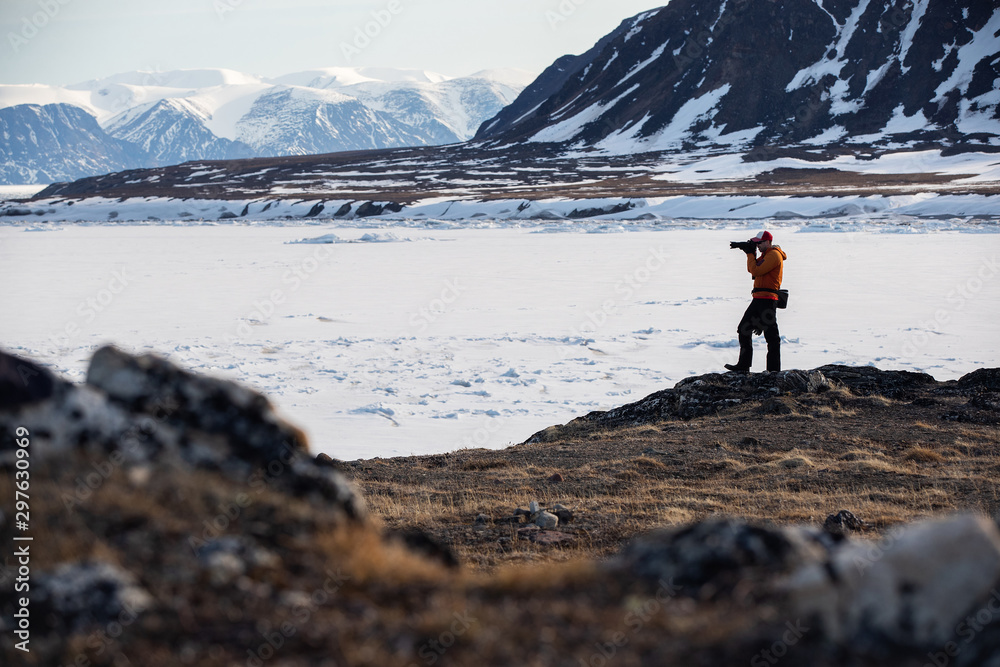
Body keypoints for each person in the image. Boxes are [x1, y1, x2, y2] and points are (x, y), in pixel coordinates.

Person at [725, 230, 787, 373]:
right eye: (756, 243)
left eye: (759, 243)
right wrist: (750, 254)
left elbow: (756, 271)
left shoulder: (774, 255)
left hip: (767, 300)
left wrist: (750, 253)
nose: (757, 245)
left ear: (768, 242)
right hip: (759, 299)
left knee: (772, 337)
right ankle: (744, 365)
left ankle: (773, 371)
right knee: (743, 329)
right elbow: (752, 270)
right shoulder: (766, 255)